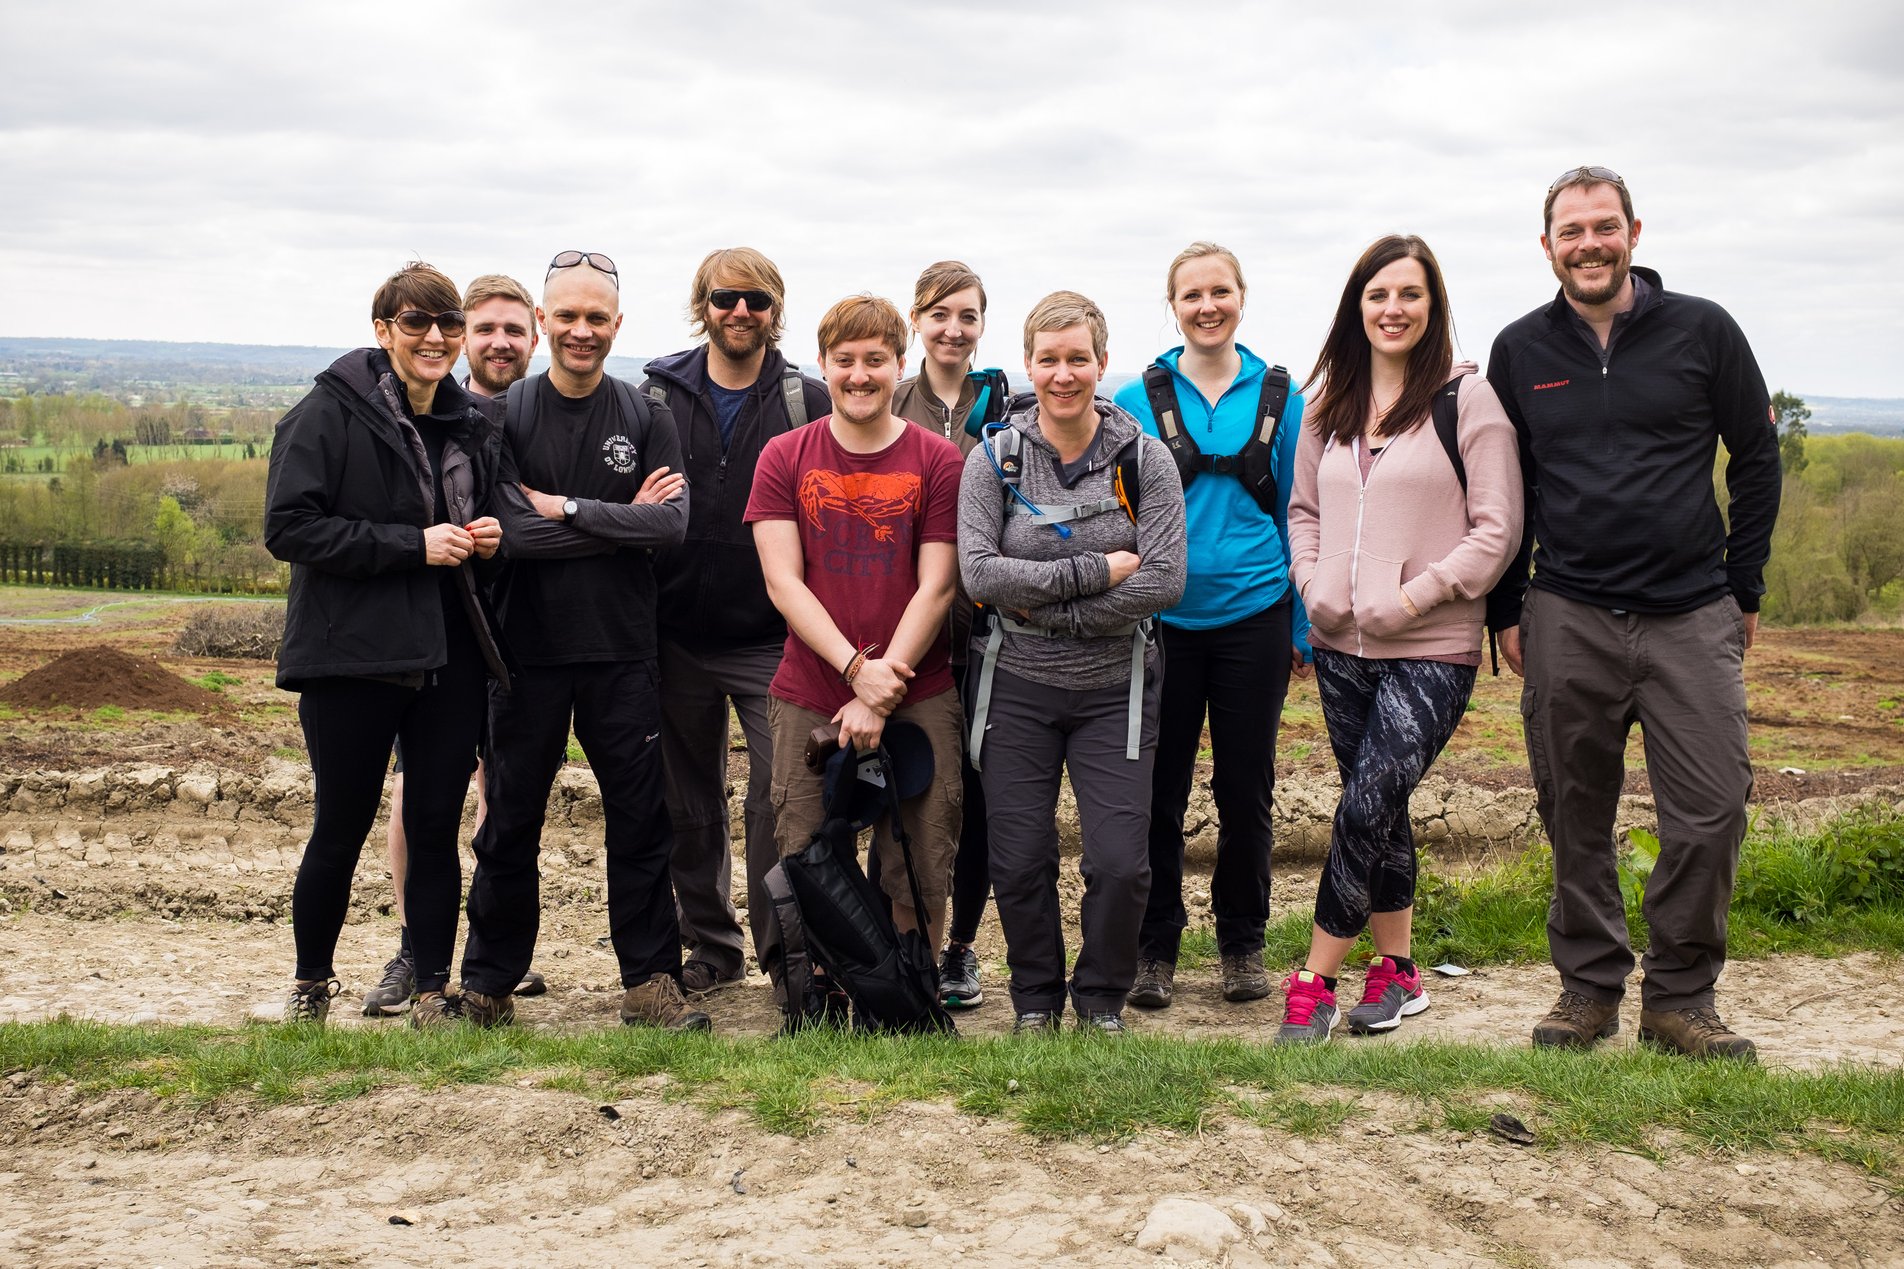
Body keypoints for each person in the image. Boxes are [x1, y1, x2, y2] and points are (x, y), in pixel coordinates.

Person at [1489, 167, 1780, 1060]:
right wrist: (1508, 605)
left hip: (1691, 610)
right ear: (1547, 247)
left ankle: (1681, 997)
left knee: (1713, 806)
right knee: (1573, 806)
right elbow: (1506, 487)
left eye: (1603, 226)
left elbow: (1757, 454)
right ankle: (1588, 989)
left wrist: (1745, 584)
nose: (1589, 244)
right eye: (1570, 231)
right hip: (1567, 607)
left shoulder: (1704, 328)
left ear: (1634, 232)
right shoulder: (1520, 351)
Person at [1277, 234, 1523, 1043]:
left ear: (1433, 306)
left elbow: (1497, 530)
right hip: (1340, 647)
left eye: (1410, 295)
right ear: (1358, 306)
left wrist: (1413, 596)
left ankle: (1313, 979)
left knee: (1365, 803)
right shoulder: (1328, 405)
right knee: (1381, 810)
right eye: (1379, 295)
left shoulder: (1467, 401)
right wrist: (1313, 585)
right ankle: (1398, 972)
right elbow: (1304, 513)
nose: (1393, 309)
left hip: (1432, 645)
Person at [459, 250, 709, 1031]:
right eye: (565, 315)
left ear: (617, 326)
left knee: (641, 818)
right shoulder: (502, 416)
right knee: (509, 821)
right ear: (543, 321)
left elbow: (669, 525)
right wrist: (612, 522)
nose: (580, 330)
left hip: (621, 651)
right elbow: (507, 539)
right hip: (524, 654)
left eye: (596, 317)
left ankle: (651, 982)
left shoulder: (645, 414)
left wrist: (565, 508)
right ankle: (488, 983)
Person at [265, 261, 510, 1027]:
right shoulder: (326, 414)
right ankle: (311, 984)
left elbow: (481, 516)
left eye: (447, 324)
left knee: (435, 825)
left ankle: (435, 988)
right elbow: (289, 527)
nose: (434, 338)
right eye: (416, 323)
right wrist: (411, 544)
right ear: (384, 331)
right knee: (340, 821)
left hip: (448, 657)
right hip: (351, 656)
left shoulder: (469, 421)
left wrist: (490, 536)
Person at [958, 291, 1187, 1035]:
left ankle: (1098, 1000)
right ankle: (1033, 999)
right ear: (1028, 363)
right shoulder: (993, 458)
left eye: (1078, 359)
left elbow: (1162, 579)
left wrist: (1049, 613)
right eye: (1049, 359)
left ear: (1102, 362)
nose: (1064, 374)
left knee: (1120, 863)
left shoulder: (1145, 458)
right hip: (1016, 686)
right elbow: (981, 576)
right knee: (1020, 859)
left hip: (1114, 687)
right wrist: (1095, 573)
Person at [745, 293, 965, 1022]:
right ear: (825, 366)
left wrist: (879, 691)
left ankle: (908, 997)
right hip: (810, 686)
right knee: (806, 850)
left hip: (918, 688)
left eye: (876, 360)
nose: (860, 374)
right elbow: (783, 580)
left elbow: (938, 582)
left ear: (898, 366)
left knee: (921, 857)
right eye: (846, 361)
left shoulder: (936, 459)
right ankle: (819, 999)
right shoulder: (786, 455)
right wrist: (851, 672)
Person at [1112, 243, 1310, 1010]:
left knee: (1245, 789)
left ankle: (1241, 944)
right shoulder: (1138, 395)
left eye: (1219, 291)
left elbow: (1300, 507)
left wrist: (1300, 624)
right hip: (1161, 621)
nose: (1207, 305)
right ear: (1173, 305)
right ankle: (1154, 949)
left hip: (1255, 616)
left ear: (1241, 297)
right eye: (1192, 294)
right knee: (1156, 791)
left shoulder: (1282, 397)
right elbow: (1118, 510)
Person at [643, 249, 829, 998]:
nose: (740, 312)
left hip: (769, 637)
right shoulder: (655, 394)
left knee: (774, 801)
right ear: (704, 305)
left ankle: (783, 951)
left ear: (774, 308)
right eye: (726, 298)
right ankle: (713, 946)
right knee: (688, 805)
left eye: (756, 300)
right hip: (675, 630)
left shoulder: (804, 399)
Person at [364, 272, 544, 1017]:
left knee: (496, 799)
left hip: (525, 634)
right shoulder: (433, 413)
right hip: (439, 638)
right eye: (486, 329)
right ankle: (415, 946)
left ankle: (486, 956)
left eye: (514, 330)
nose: (500, 343)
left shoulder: (537, 414)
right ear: (463, 336)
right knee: (419, 796)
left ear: (534, 332)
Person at [890, 260, 997, 1008]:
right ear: (916, 321)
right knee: (904, 792)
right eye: (939, 314)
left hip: (990, 638)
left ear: (982, 323)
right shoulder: (888, 400)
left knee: (978, 799)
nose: (953, 328)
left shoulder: (1011, 403)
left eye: (967, 315)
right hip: (902, 634)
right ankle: (892, 940)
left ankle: (959, 948)